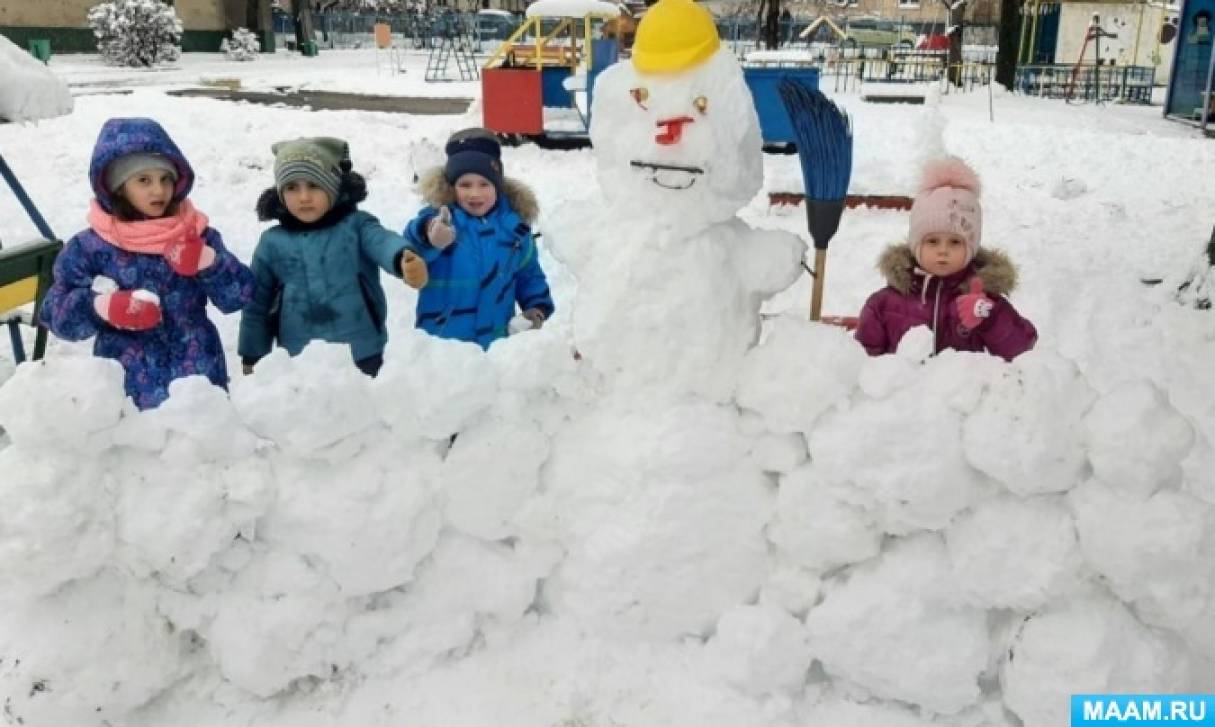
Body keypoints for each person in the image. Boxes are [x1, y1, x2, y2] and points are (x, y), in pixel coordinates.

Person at [40, 117, 253, 410]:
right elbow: (55, 313)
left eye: (165, 179)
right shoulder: (91, 247)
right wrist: (100, 307)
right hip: (127, 389)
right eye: (144, 180)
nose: (158, 191)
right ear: (117, 186)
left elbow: (239, 296)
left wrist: (209, 262)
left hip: (197, 380)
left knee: (200, 453)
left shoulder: (196, 233)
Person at [238, 137, 429, 377]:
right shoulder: (272, 243)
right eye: (292, 188)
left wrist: (403, 258)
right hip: (299, 357)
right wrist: (252, 355)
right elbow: (257, 303)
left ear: (333, 186)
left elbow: (382, 242)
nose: (304, 197)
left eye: (314, 185)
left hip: (361, 350)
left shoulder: (356, 227)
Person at [854, 156, 1037, 361]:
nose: (943, 251)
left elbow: (1024, 349)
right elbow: (862, 362)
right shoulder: (884, 304)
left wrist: (990, 319)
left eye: (955, 242)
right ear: (916, 245)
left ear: (971, 249)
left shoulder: (983, 302)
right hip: (903, 392)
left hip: (962, 392)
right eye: (932, 241)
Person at [403, 128, 553, 349]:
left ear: (498, 187)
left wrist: (536, 311)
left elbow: (530, 279)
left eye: (484, 184)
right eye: (465, 185)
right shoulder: (441, 221)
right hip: (443, 348)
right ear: (452, 188)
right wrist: (429, 235)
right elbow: (410, 248)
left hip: (495, 346)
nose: (475, 194)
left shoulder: (515, 231)